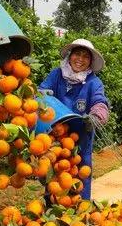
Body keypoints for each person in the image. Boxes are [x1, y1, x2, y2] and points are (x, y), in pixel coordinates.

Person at [39, 39, 110, 200]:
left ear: (90, 62)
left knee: (80, 174)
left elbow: (99, 101)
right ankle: (53, 213)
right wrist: (43, 96)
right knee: (55, 174)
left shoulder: (93, 82)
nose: (80, 59)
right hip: (56, 135)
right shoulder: (57, 74)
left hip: (81, 136)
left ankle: (80, 210)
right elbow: (42, 91)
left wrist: (97, 115)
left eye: (86, 57)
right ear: (70, 56)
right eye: (77, 54)